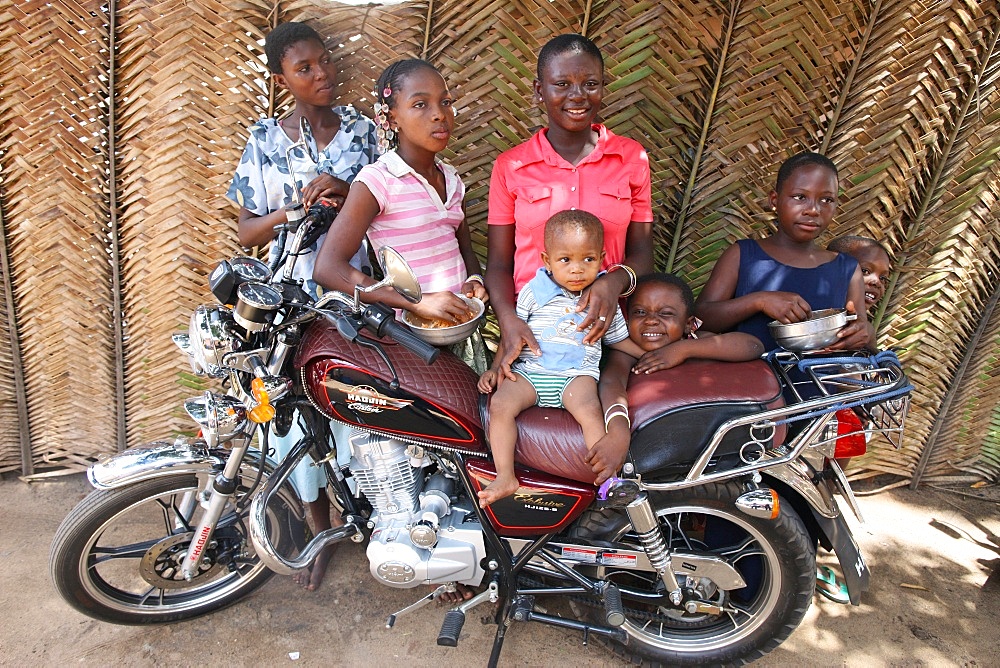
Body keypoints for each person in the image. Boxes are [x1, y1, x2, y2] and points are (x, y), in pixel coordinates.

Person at [225, 21, 379, 592]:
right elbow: (246, 232)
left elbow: (390, 202)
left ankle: (372, 520)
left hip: (354, 288)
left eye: (325, 62)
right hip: (290, 299)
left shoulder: (364, 133)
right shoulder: (266, 139)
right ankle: (319, 533)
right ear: (280, 78)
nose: (322, 75)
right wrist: (296, 211)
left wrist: (344, 189)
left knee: (357, 404)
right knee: (296, 420)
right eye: (304, 68)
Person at [485, 33, 654, 383]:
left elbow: (643, 253)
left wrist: (613, 284)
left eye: (590, 83)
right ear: (539, 90)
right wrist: (510, 323)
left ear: (603, 86)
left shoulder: (631, 158)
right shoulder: (511, 167)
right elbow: (499, 265)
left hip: (607, 335)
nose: (578, 96)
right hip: (533, 337)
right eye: (562, 84)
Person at [312, 58, 488, 368]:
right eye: (420, 104)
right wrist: (418, 302)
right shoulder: (377, 181)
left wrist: (473, 280)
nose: (439, 114)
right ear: (391, 119)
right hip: (412, 342)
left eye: (445, 102)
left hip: (461, 329)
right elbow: (328, 268)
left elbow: (464, 250)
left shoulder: (452, 178)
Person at [477, 210, 646, 506]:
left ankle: (610, 482)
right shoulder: (533, 293)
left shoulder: (603, 300)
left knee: (590, 412)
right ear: (547, 261)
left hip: (575, 377)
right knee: (501, 404)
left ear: (602, 258)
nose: (577, 270)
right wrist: (494, 368)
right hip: (531, 372)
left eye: (588, 260)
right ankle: (505, 474)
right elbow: (511, 337)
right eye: (565, 260)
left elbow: (620, 342)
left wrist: (658, 356)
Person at [694, 151, 875, 351]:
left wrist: (863, 334)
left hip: (819, 381)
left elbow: (862, 333)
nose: (813, 210)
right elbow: (699, 320)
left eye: (826, 200)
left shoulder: (847, 270)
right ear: (774, 200)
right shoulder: (743, 255)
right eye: (800, 197)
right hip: (753, 380)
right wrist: (759, 301)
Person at [595, 273, 766, 480]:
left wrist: (682, 350)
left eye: (666, 314)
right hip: (659, 453)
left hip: (709, 450)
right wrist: (618, 430)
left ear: (689, 324)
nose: (650, 321)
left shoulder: (696, 341)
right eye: (640, 312)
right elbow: (611, 383)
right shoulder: (626, 353)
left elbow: (753, 346)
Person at [826, 235, 892, 313]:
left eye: (882, 278)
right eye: (865, 271)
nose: (877, 282)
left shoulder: (863, 325)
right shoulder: (809, 313)